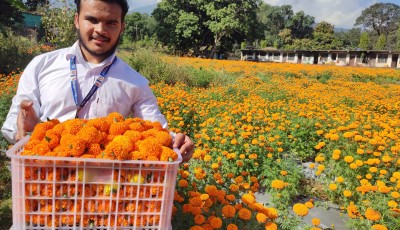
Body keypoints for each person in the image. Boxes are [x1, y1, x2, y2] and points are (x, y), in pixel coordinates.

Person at [1, 0, 194, 162]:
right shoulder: (42, 65)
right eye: (92, 20)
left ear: (122, 27)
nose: (100, 30)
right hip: (46, 181)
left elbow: (157, 130)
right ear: (77, 20)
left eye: (111, 23)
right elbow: (13, 125)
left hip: (105, 188)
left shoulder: (136, 83)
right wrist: (24, 133)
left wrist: (177, 142)